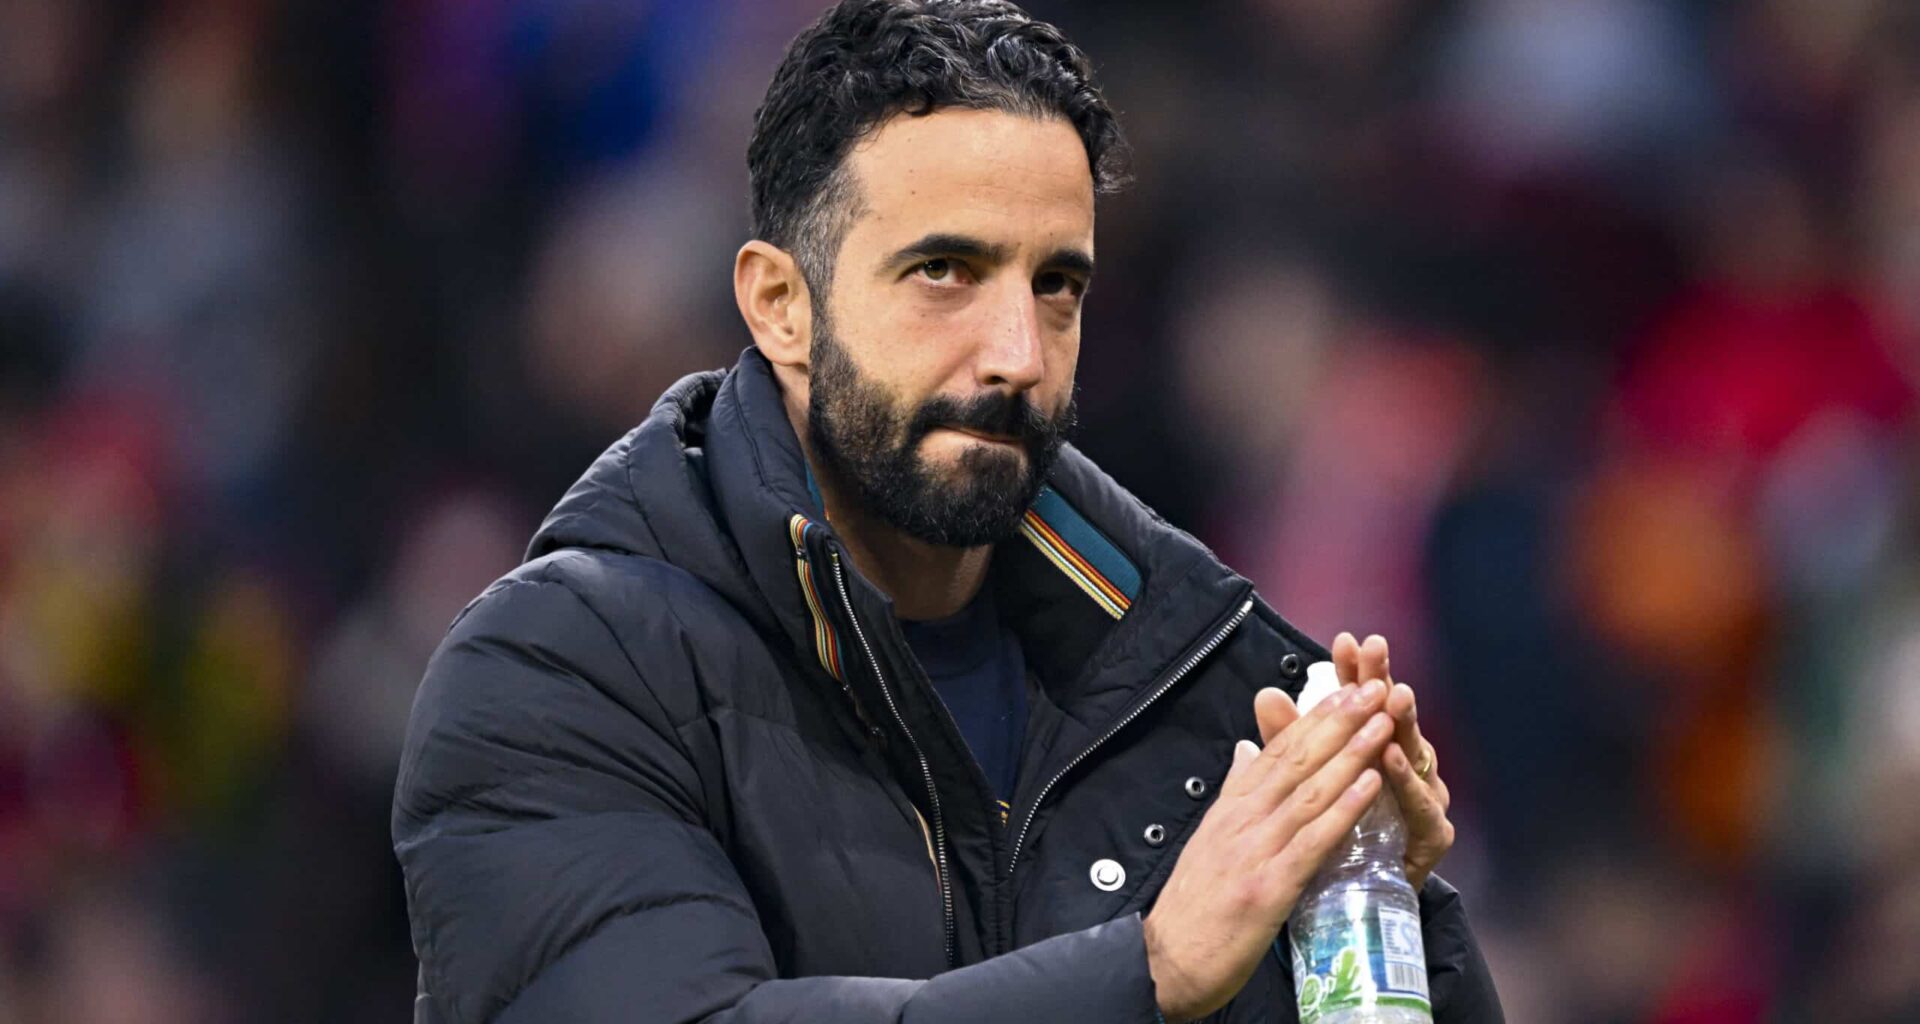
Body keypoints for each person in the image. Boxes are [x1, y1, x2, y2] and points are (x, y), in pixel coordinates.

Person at [391, 1, 1503, 1021]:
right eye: (944, 272)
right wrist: (1147, 972)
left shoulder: (1213, 682)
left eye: (1056, 285)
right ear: (780, 305)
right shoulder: (557, 676)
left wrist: (1384, 934)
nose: (1018, 353)